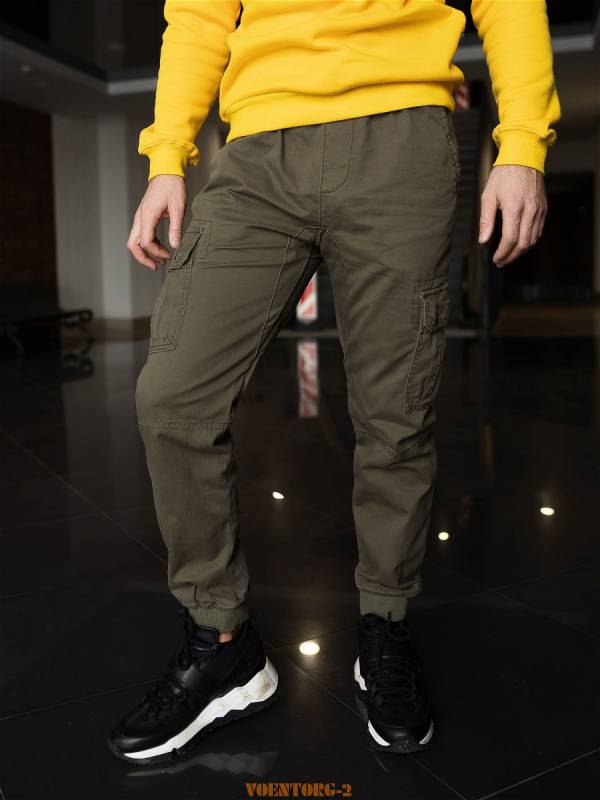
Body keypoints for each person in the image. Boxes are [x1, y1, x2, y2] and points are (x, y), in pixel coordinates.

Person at [108, 0, 560, 763]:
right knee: (173, 396)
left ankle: (384, 625)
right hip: (258, 148)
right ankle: (222, 646)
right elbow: (197, 16)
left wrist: (522, 143)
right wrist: (166, 156)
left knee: (396, 417)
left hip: (402, 132)